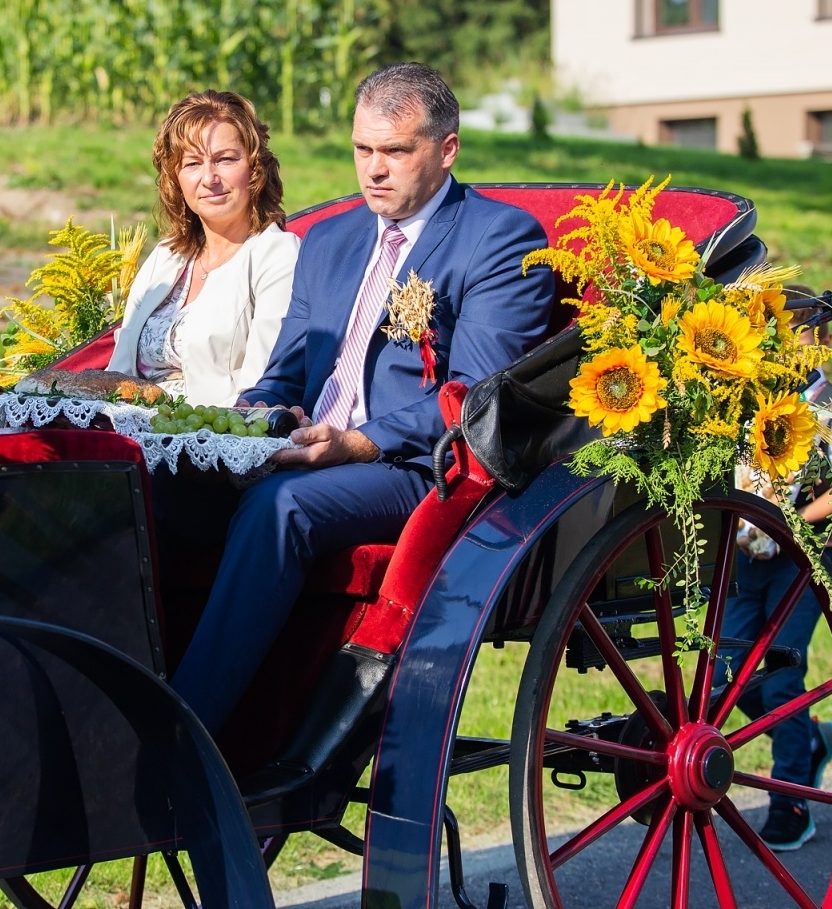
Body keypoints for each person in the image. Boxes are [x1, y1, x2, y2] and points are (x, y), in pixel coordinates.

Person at [160, 62, 554, 735]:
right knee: (156, 483)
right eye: (362, 150)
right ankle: (113, 690)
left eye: (396, 151)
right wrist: (252, 421)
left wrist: (357, 443)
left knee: (278, 507)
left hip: (416, 472)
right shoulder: (331, 240)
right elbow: (284, 374)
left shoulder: (499, 240)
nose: (374, 169)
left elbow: (476, 401)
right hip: (312, 451)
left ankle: (183, 726)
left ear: (446, 149)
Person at [719, 285, 832, 852]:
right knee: (731, 672)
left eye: (800, 333)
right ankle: (808, 740)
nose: (788, 344)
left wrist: (794, 518)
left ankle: (791, 802)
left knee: (781, 674)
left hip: (801, 558)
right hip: (745, 553)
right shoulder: (747, 400)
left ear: (822, 342)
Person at [106, 90, 299, 406]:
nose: (209, 178)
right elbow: (118, 371)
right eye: (193, 163)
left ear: (255, 168)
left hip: (212, 435)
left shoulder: (278, 255)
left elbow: (261, 389)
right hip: (128, 428)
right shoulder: (167, 255)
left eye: (225, 159)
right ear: (176, 178)